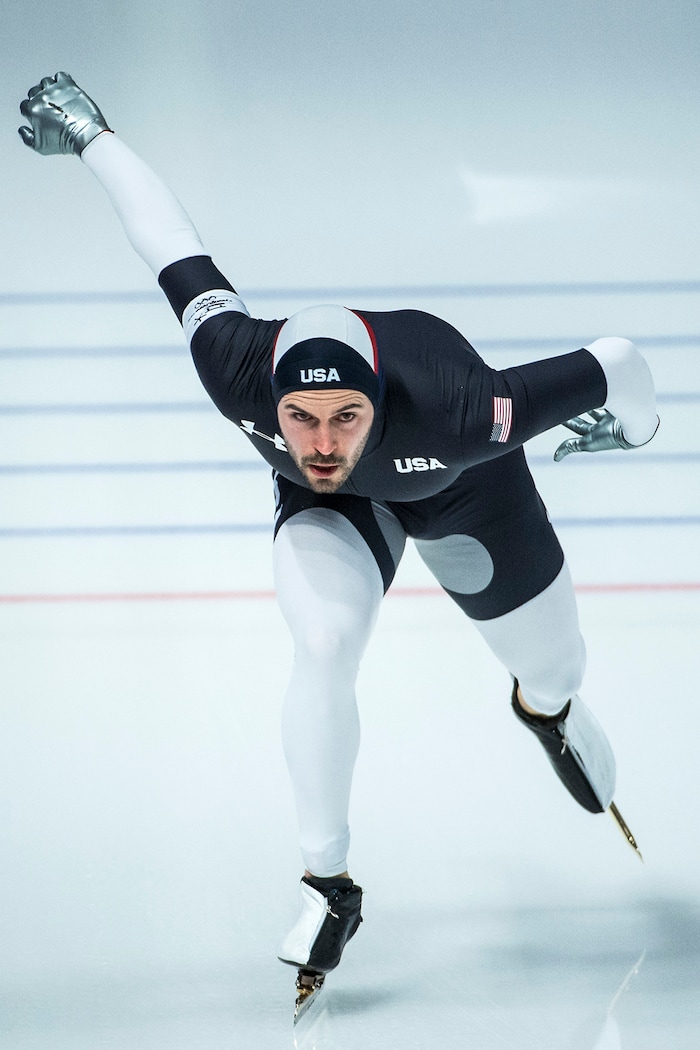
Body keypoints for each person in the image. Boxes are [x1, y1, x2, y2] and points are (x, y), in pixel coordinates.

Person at [19, 73, 658, 1016]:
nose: (320, 444)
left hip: (465, 488)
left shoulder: (472, 408)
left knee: (558, 667)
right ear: (269, 396)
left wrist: (632, 430)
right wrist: (91, 135)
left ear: (381, 402)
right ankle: (329, 884)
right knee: (321, 642)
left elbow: (617, 361)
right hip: (343, 512)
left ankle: (545, 709)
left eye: (345, 417)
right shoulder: (233, 363)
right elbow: (169, 242)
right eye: (301, 419)